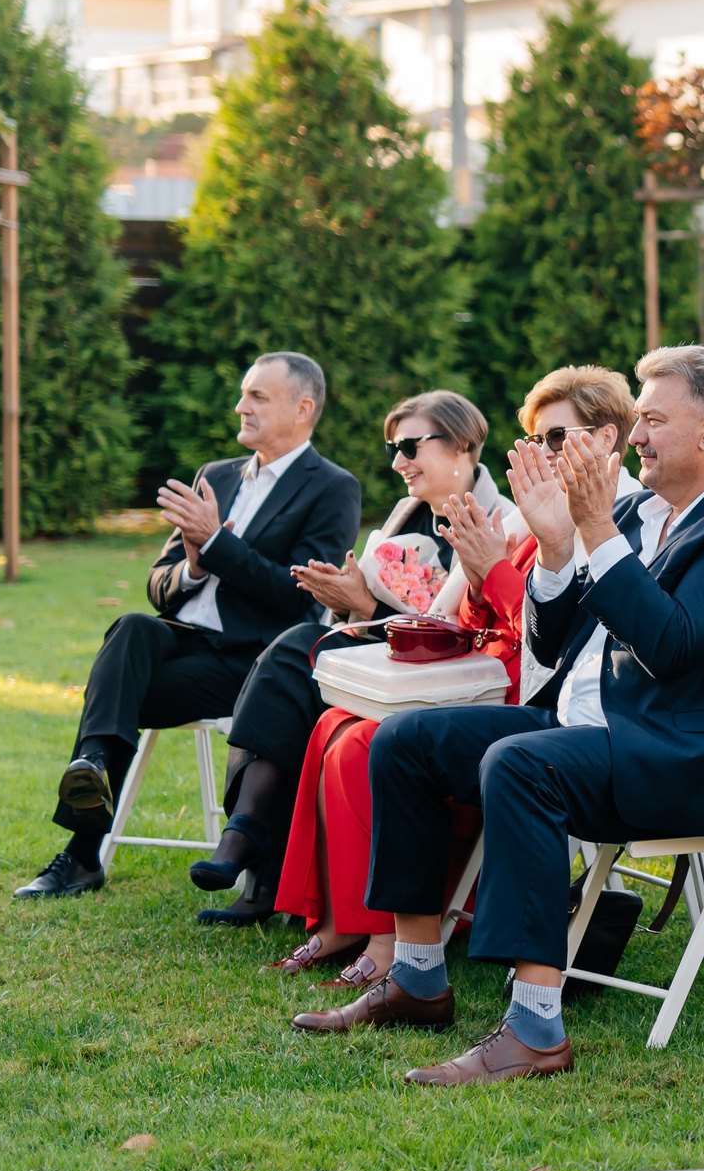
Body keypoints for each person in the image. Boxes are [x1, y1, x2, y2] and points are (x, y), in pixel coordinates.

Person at [311, 347, 704, 1087]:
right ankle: (417, 976)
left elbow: (670, 645)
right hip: (595, 734)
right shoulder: (640, 511)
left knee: (521, 764)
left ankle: (536, 1027)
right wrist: (551, 545)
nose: (635, 438)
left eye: (652, 420)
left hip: (688, 758)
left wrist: (597, 530)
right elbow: (549, 638)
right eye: (636, 419)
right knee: (409, 737)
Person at [263, 367, 633, 992]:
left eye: (554, 438)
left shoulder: (606, 519)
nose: (541, 455)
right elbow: (465, 617)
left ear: (606, 440)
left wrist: (487, 570)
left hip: (529, 689)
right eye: (535, 440)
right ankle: (337, 917)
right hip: (482, 672)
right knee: (332, 723)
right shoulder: (523, 520)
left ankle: (387, 935)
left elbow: (561, 639)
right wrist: (472, 572)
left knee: (364, 741)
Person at [17, 353, 361, 900]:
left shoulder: (332, 487)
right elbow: (157, 583)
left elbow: (298, 599)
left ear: (303, 409)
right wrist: (194, 565)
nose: (239, 406)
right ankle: (94, 763)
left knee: (115, 696)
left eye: (257, 397)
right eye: (243, 394)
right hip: (180, 642)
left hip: (249, 666)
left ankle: (82, 854)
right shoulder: (216, 476)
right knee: (132, 627)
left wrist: (219, 544)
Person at [190, 390, 509, 925]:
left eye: (410, 446)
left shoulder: (501, 519)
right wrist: (348, 596)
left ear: (461, 447)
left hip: (452, 681)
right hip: (387, 661)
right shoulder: (406, 512)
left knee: (296, 656)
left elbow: (475, 629)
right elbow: (381, 599)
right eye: (393, 449)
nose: (398, 462)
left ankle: (250, 851)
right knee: (298, 658)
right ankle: (251, 848)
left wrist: (363, 604)